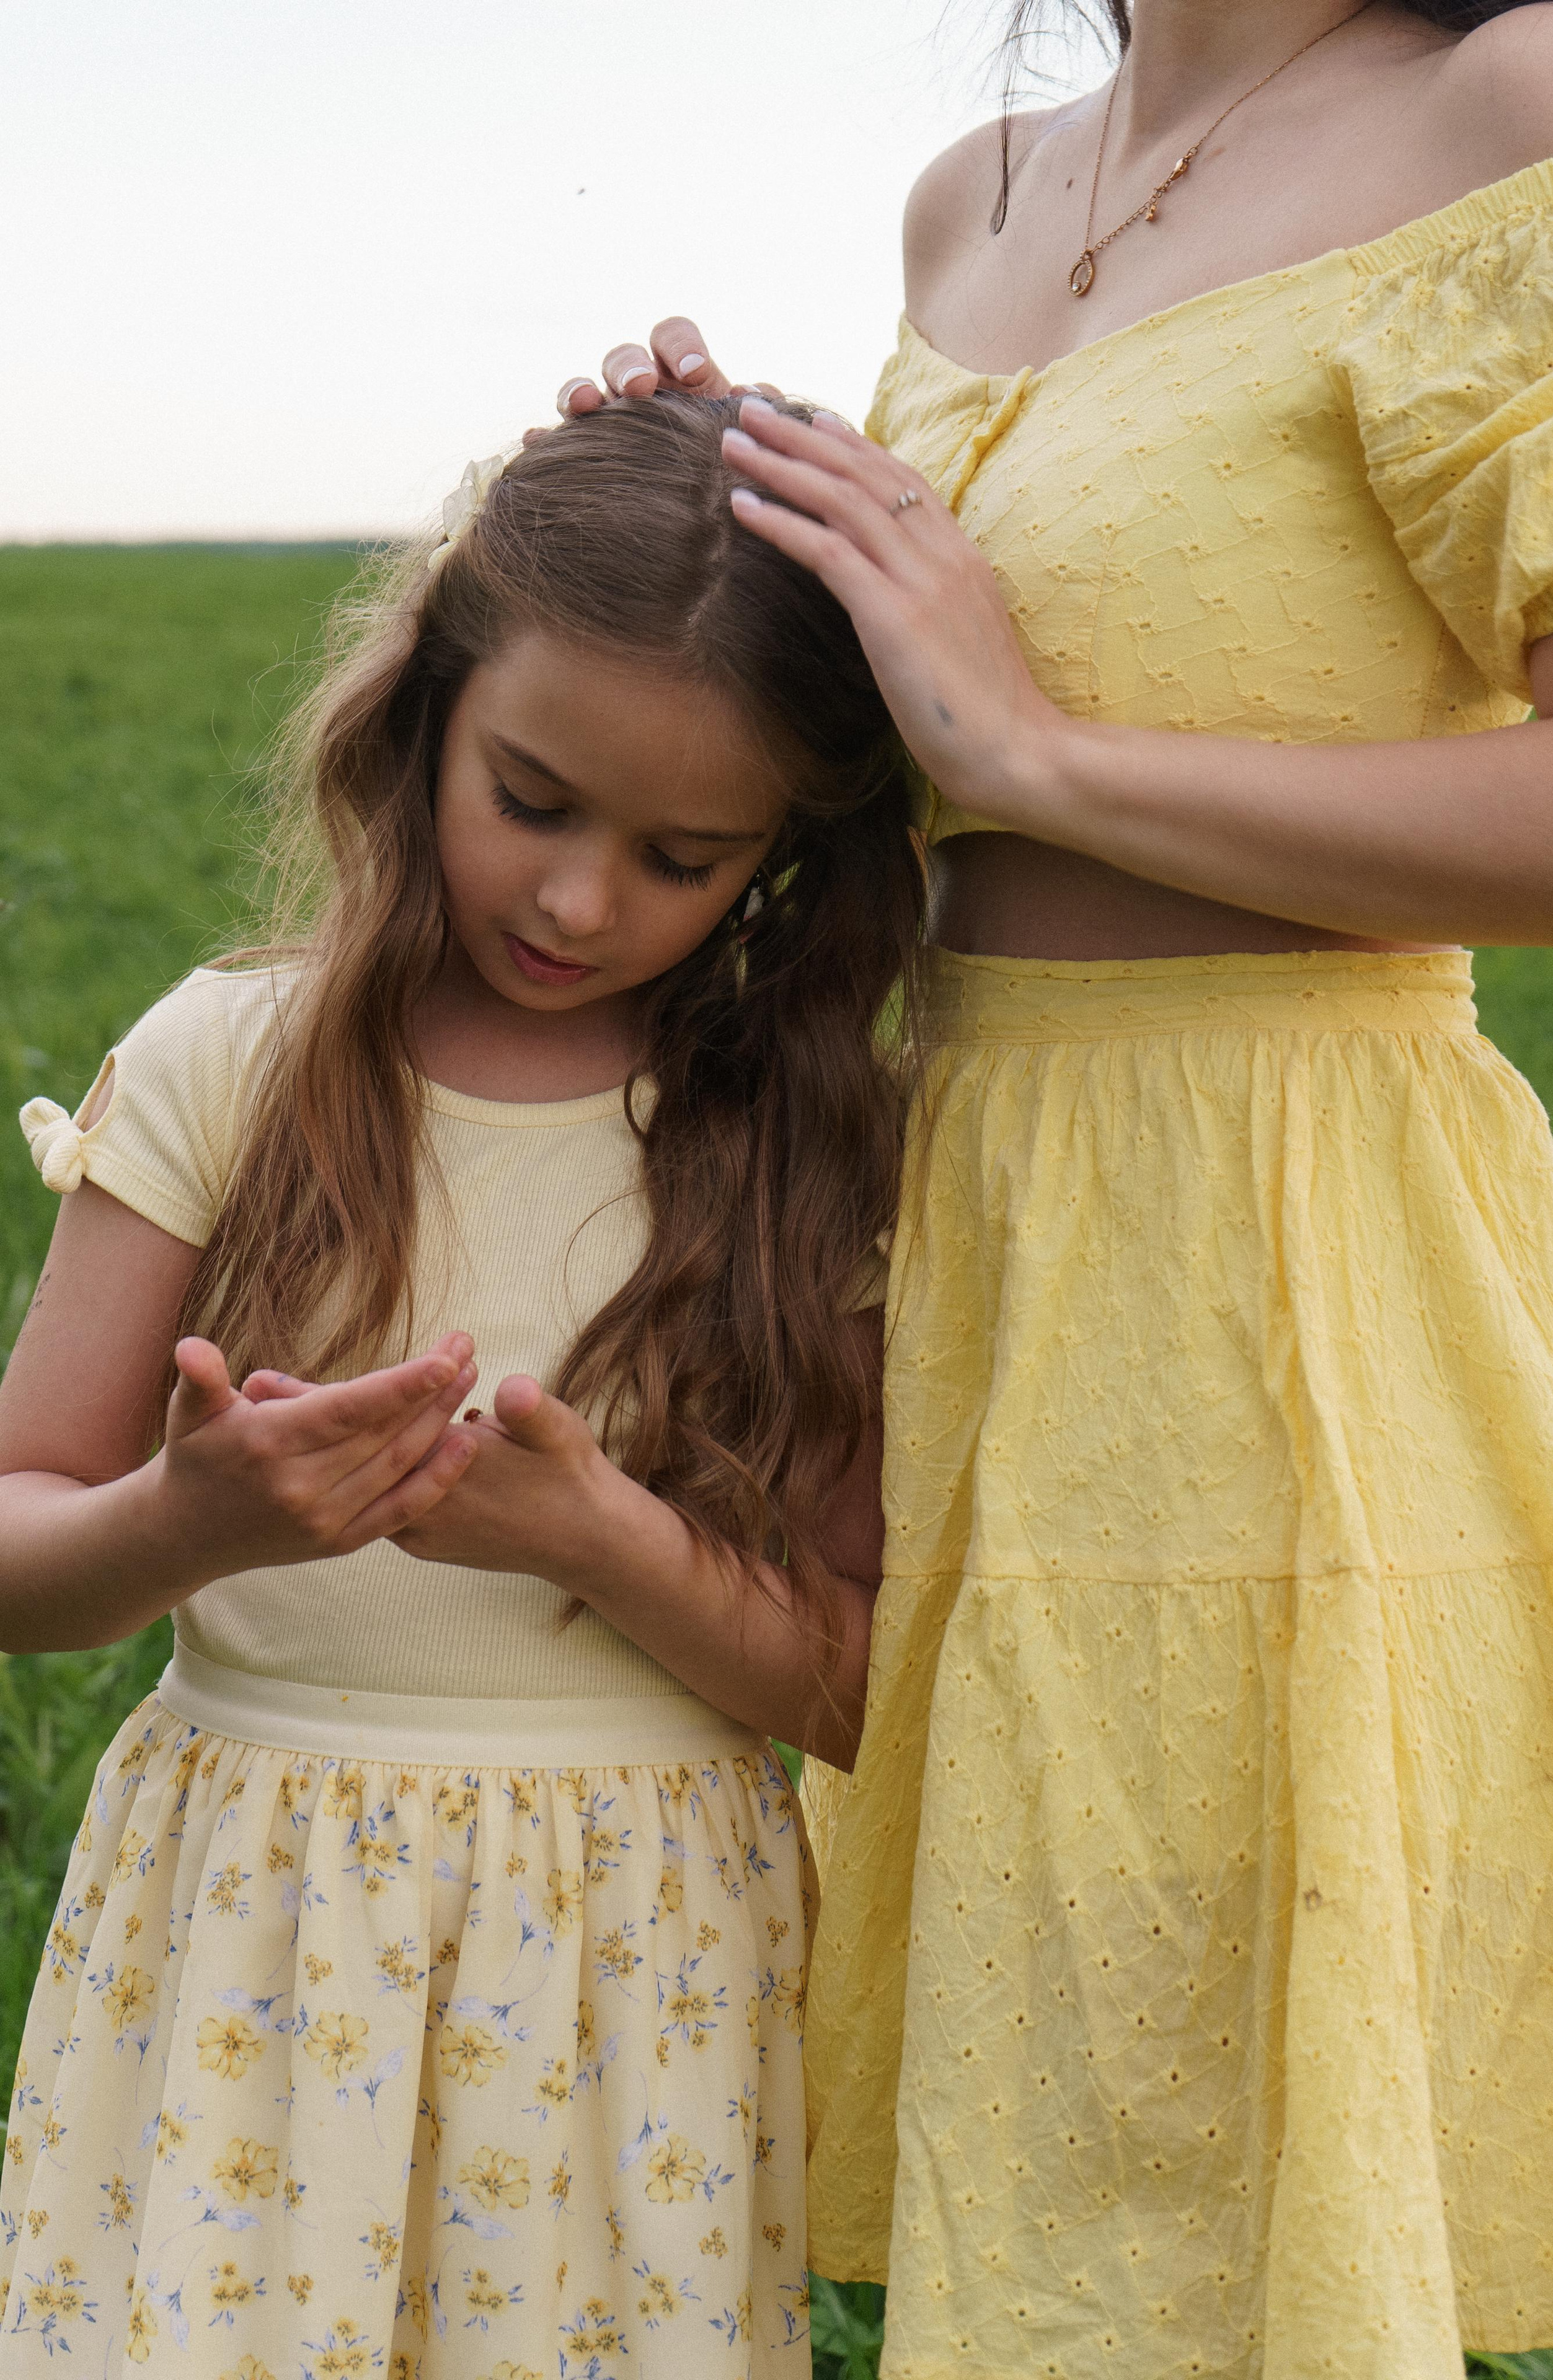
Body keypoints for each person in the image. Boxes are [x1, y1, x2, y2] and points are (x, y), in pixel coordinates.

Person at [561, 1, 1553, 2369]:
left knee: (1237, 2171)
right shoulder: (977, 195)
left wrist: (1041, 749)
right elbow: (886, 742)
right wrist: (686, 521)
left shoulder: (1504, 103)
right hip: (970, 1230)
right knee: (1051, 2177)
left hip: (1294, 1260)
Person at [0, 394, 923, 2376]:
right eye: (533, 799)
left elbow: (862, 1686)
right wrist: (187, 1523)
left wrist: (608, 1541)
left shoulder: (793, 1148)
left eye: (685, 859)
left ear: (785, 860)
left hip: (626, 1983)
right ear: (421, 712)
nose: (582, 902)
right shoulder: (230, 1067)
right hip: (254, 1923)